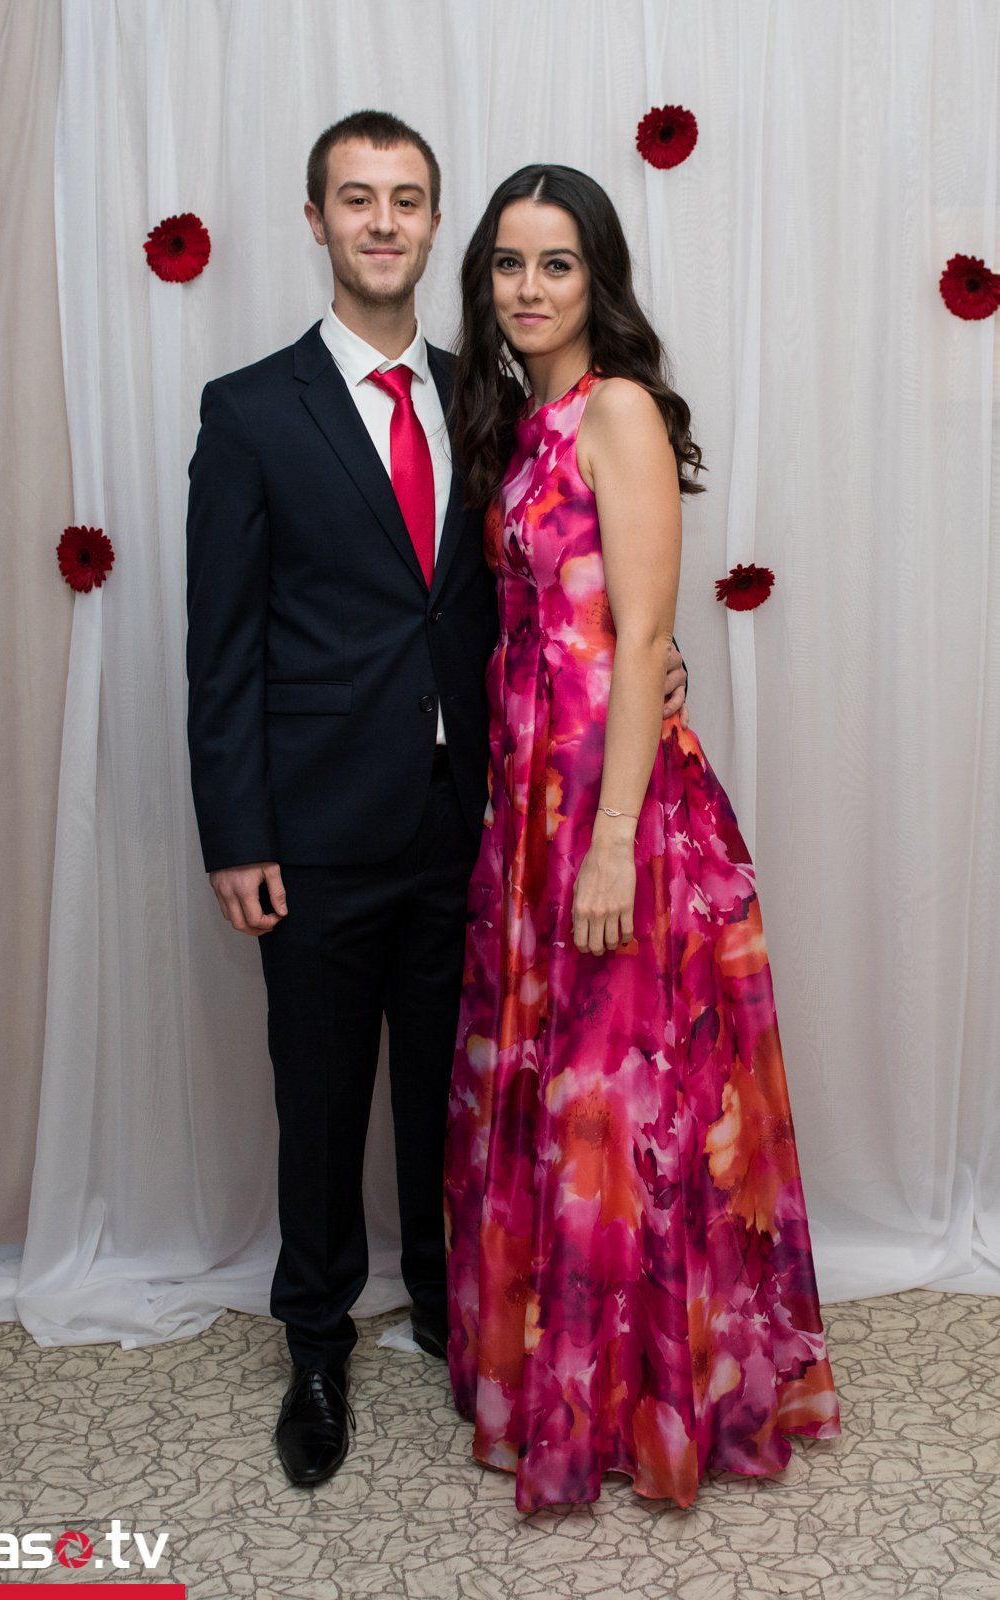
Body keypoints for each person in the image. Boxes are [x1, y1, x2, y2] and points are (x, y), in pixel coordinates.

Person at [186, 111, 692, 1489]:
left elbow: (577, 582)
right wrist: (237, 833)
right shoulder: (250, 410)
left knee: (456, 1089)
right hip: (315, 825)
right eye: (358, 199)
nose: (384, 221)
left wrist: (655, 661)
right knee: (318, 1094)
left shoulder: (495, 398)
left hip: (481, 818)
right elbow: (220, 645)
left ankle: (446, 1304)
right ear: (317, 221)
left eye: (407, 198)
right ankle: (314, 1342)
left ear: (431, 222)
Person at [445, 164, 839, 1513]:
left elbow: (645, 632)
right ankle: (569, 1382)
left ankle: (644, 1402)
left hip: (611, 804)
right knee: (564, 1084)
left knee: (621, 1101)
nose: (530, 288)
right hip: (532, 795)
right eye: (509, 264)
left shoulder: (616, 407)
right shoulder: (525, 418)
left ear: (596, 278)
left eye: (557, 263)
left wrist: (613, 839)